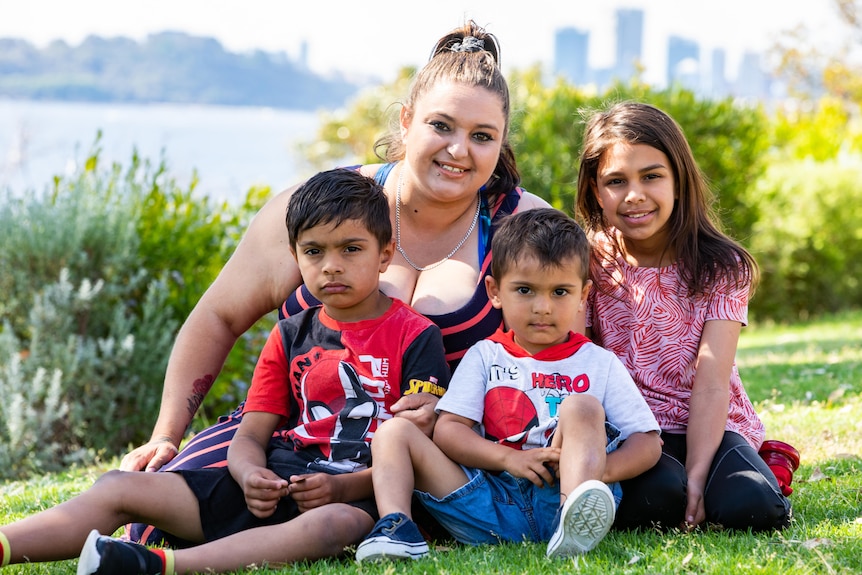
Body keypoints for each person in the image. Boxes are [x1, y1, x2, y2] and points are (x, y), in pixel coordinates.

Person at [121, 20, 552, 544]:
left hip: (439, 456)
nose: (459, 150)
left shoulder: (523, 228)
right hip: (296, 436)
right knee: (156, 517)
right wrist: (167, 434)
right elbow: (218, 317)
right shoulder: (322, 205)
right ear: (407, 120)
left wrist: (456, 409)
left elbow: (565, 353)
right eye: (442, 126)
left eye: (482, 136)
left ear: (501, 142)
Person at [0, 168, 450, 574]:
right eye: (314, 251)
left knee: (331, 525)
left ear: (384, 253)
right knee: (120, 486)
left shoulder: (416, 336)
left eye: (351, 249)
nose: (331, 265)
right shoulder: (290, 335)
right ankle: (6, 545)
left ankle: (156, 565)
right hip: (275, 483)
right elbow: (251, 436)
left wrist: (341, 489)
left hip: (355, 500)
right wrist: (249, 475)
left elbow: (414, 452)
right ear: (296, 255)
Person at [353, 208, 662, 562]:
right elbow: (449, 431)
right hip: (489, 500)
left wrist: (592, 474)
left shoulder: (598, 362)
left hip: (562, 497)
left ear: (583, 295)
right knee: (394, 432)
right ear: (495, 291)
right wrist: (508, 458)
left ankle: (572, 520)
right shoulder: (485, 356)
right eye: (525, 290)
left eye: (560, 291)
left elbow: (647, 442)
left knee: (581, 406)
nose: (542, 307)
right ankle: (398, 528)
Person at [575, 101, 795, 532]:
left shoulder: (723, 266)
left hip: (709, 421)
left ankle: (765, 463)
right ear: (595, 192)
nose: (634, 194)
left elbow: (712, 383)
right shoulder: (588, 260)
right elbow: (577, 357)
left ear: (679, 180)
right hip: (631, 430)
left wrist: (698, 475)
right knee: (657, 501)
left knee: (753, 508)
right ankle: (682, 483)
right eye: (616, 181)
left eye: (652, 176)